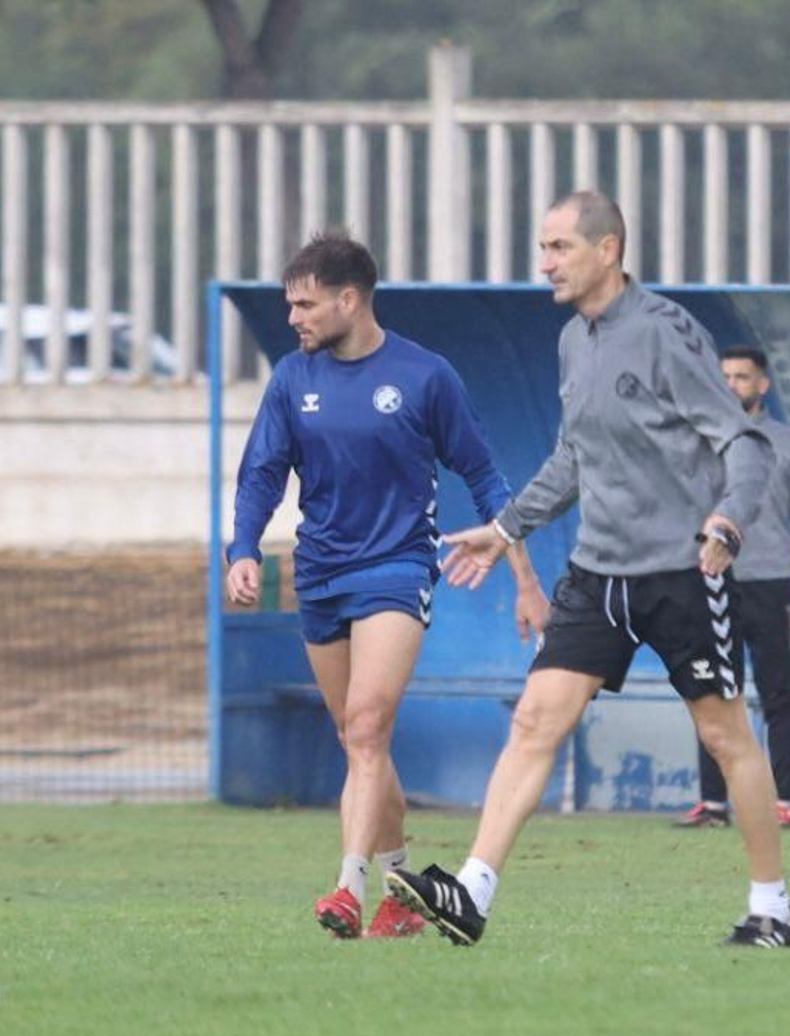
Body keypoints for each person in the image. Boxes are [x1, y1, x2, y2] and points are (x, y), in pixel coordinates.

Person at [386, 190, 790, 949]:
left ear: (607, 250)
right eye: (542, 248)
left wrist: (729, 519)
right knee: (536, 719)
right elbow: (574, 456)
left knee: (724, 737)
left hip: (683, 572)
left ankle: (772, 906)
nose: (545, 262)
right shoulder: (573, 341)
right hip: (597, 573)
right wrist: (506, 529)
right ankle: (472, 891)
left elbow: (746, 444)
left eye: (558, 248)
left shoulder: (667, 333)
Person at [224, 231, 549, 940]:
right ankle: (405, 884)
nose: (294, 318)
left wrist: (525, 578)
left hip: (397, 568)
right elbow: (261, 474)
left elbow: (487, 479)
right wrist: (242, 547)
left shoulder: (426, 377)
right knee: (358, 741)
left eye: (305, 304)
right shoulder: (291, 380)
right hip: (321, 572)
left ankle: (348, 887)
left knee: (368, 726)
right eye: (288, 305)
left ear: (350, 298)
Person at [674, 346, 790, 831]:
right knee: (712, 692)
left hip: (771, 584)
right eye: (726, 377)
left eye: (742, 377)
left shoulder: (786, 443)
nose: (732, 385)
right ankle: (713, 803)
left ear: (763, 385)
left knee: (778, 694)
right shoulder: (698, 441)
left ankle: (780, 800)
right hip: (713, 583)